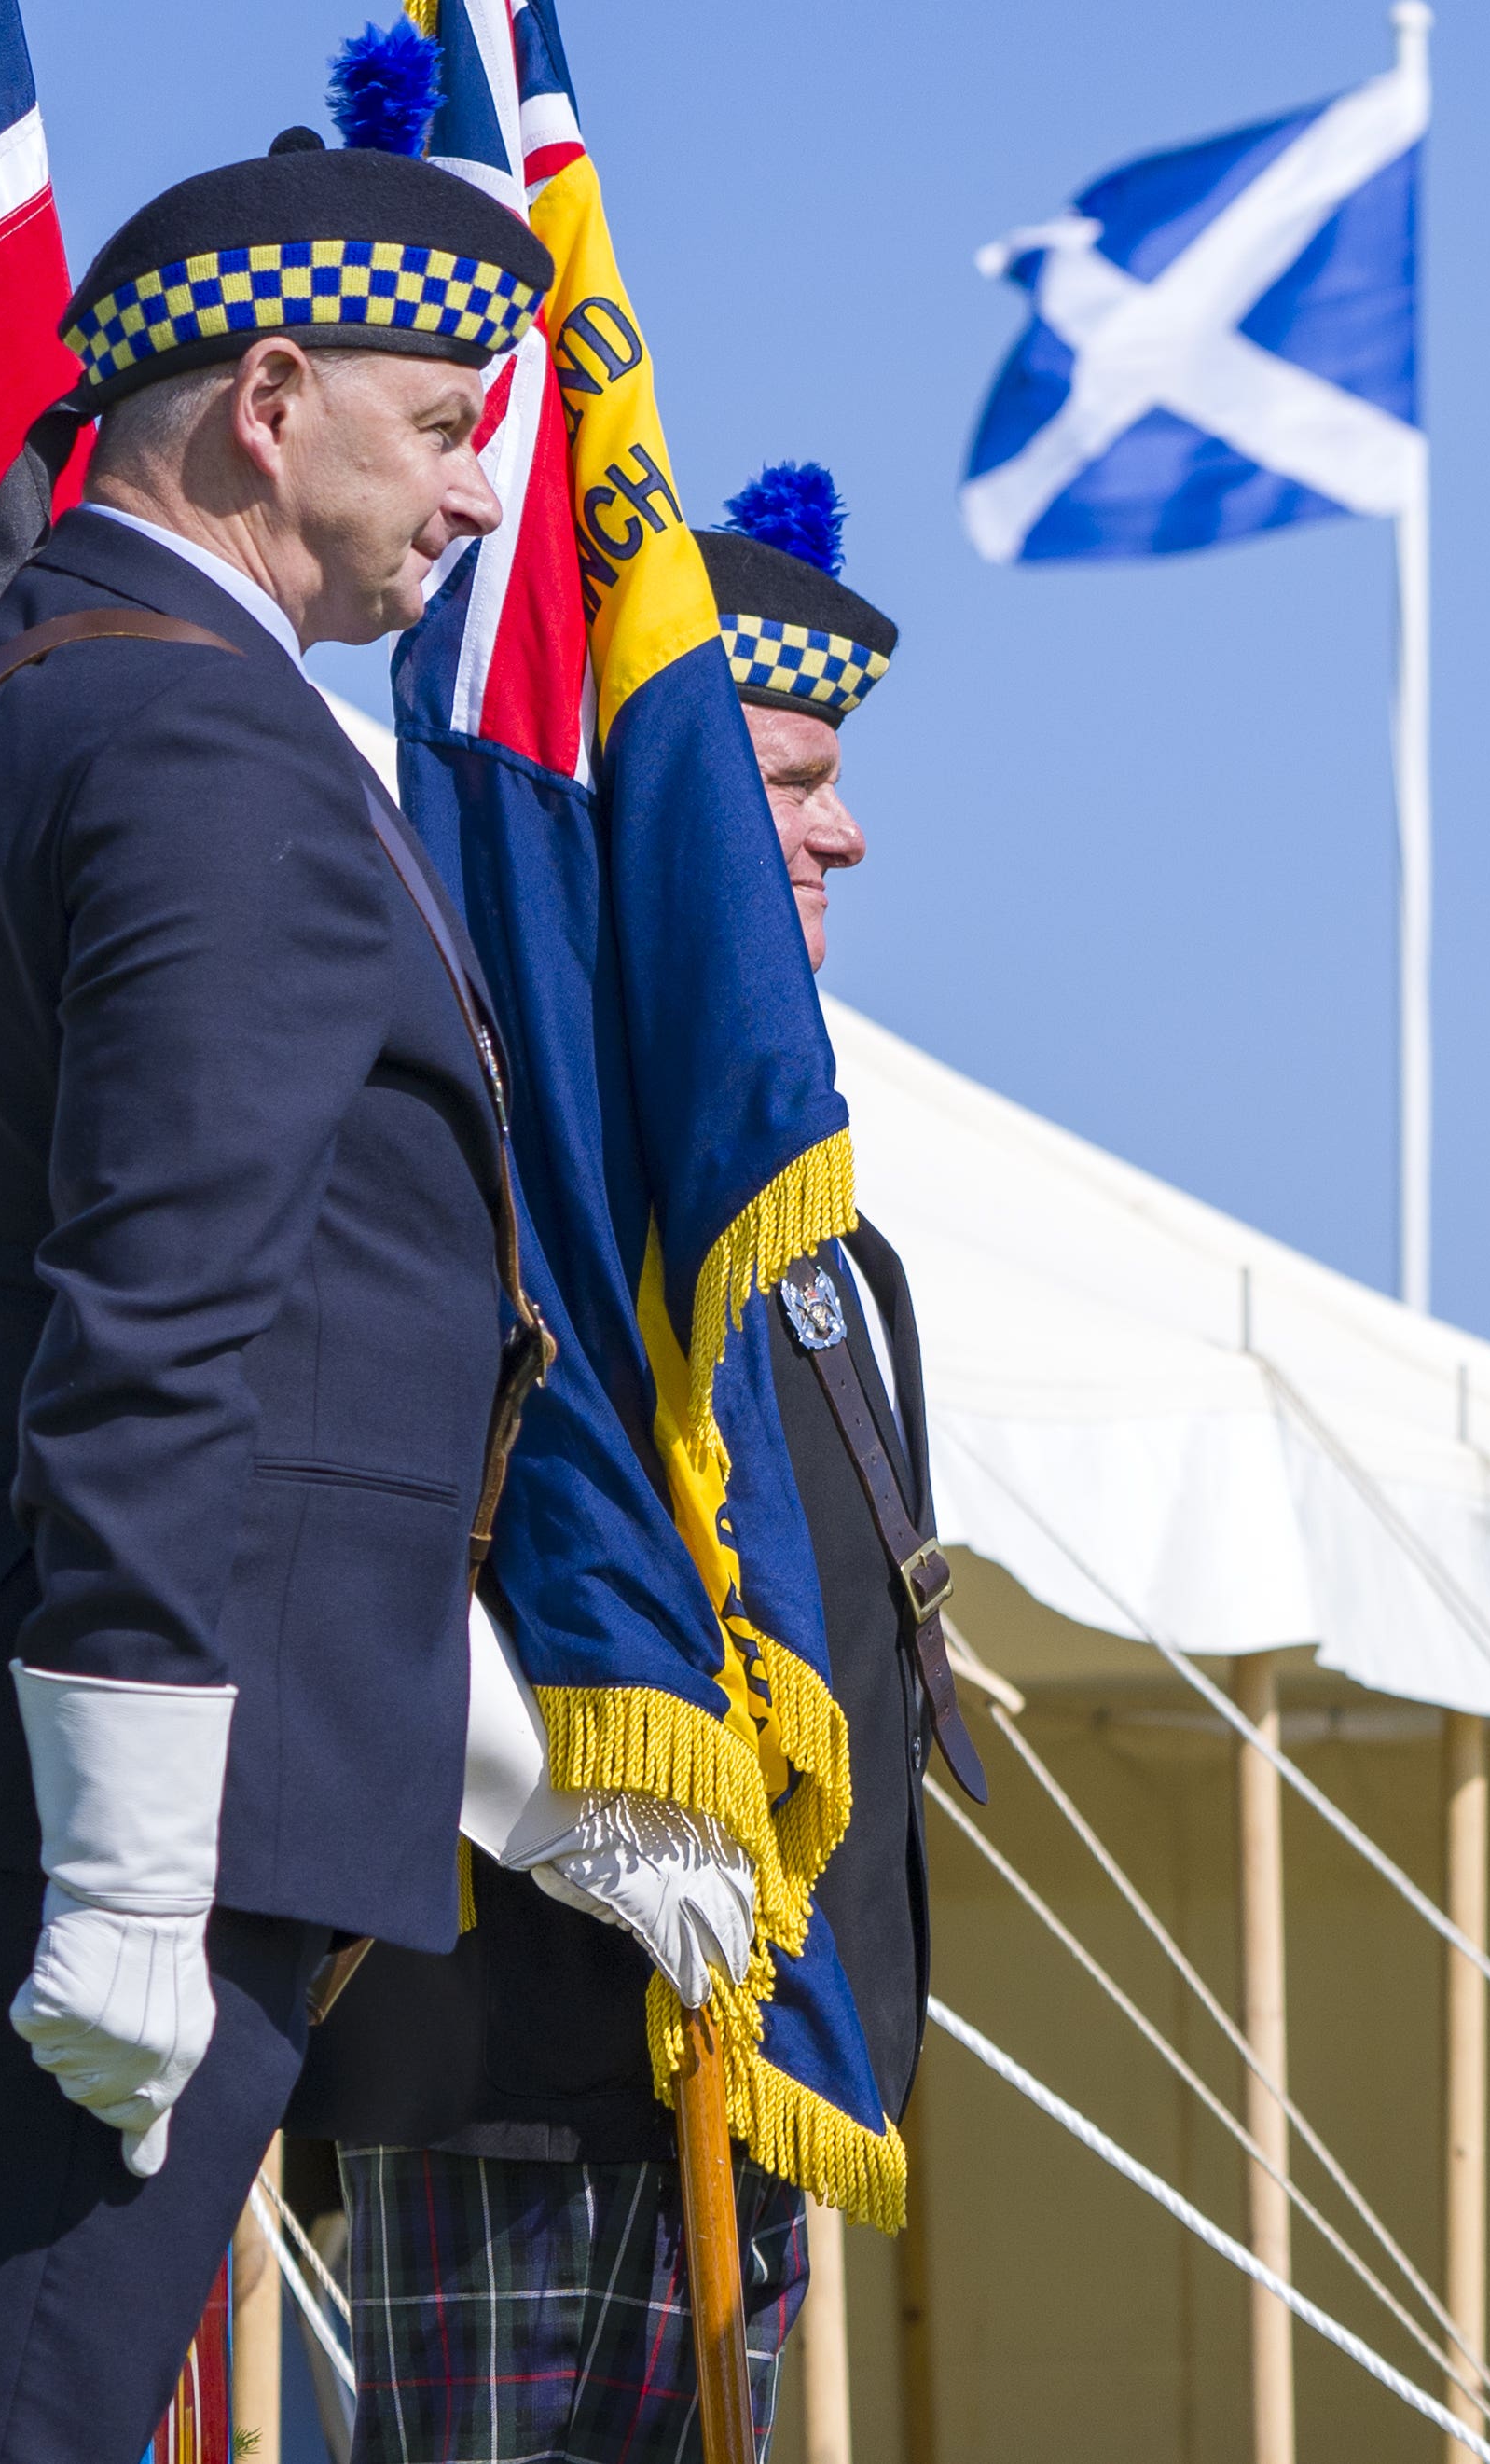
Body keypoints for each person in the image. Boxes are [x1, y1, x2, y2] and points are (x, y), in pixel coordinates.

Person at [0, 129, 558, 2457]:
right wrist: (137, 1835)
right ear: (269, 397)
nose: (476, 498)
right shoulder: (200, 743)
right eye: (449, 420)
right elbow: (165, 1305)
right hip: (99, 1783)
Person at [290, 464, 972, 2462]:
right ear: (649, 827)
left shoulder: (833, 1262)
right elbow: (367, 1587)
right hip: (508, 2059)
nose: (844, 825)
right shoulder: (444, 1188)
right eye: (782, 777)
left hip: (749, 2066)